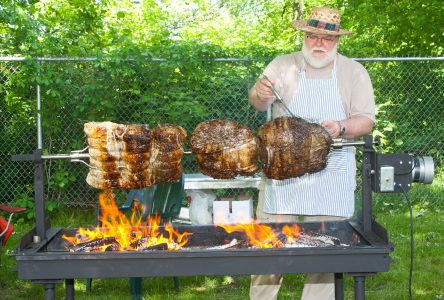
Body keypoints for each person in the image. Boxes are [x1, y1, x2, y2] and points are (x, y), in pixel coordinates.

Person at [248, 7, 375, 300]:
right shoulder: (282, 65)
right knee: (268, 248)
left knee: (325, 254)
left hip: (331, 173)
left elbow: (366, 120)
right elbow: (256, 101)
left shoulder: (353, 72)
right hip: (283, 175)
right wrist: (260, 93)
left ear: (337, 41)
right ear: (304, 36)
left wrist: (341, 127)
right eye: (313, 36)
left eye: (327, 39)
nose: (319, 43)